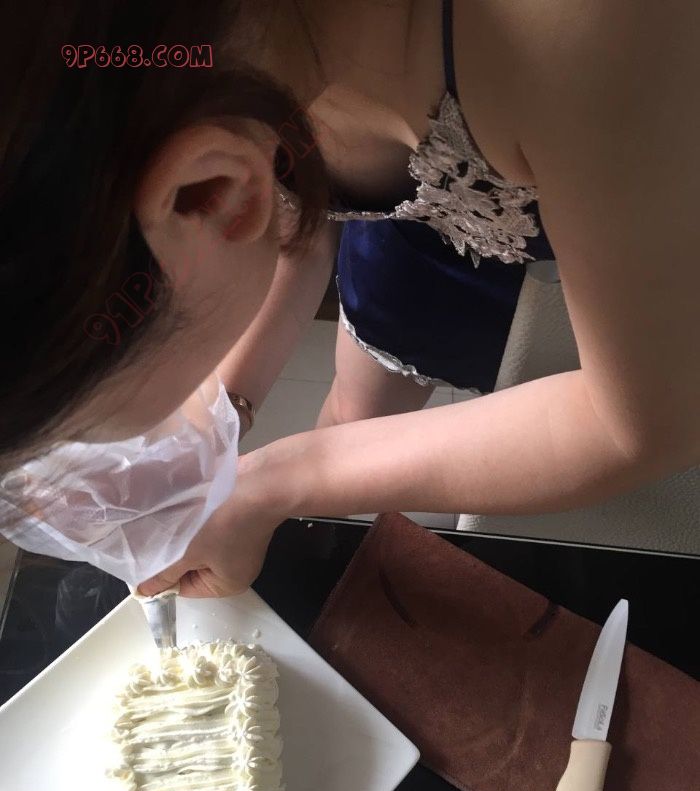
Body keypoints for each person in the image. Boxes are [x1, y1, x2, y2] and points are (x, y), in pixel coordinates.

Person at [1, 0, 698, 597]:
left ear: (208, 193)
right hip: (409, 251)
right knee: (356, 421)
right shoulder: (223, 50)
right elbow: (292, 223)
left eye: (106, 425)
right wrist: (219, 420)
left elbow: (643, 422)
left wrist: (274, 481)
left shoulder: (587, 34)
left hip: (618, 277)